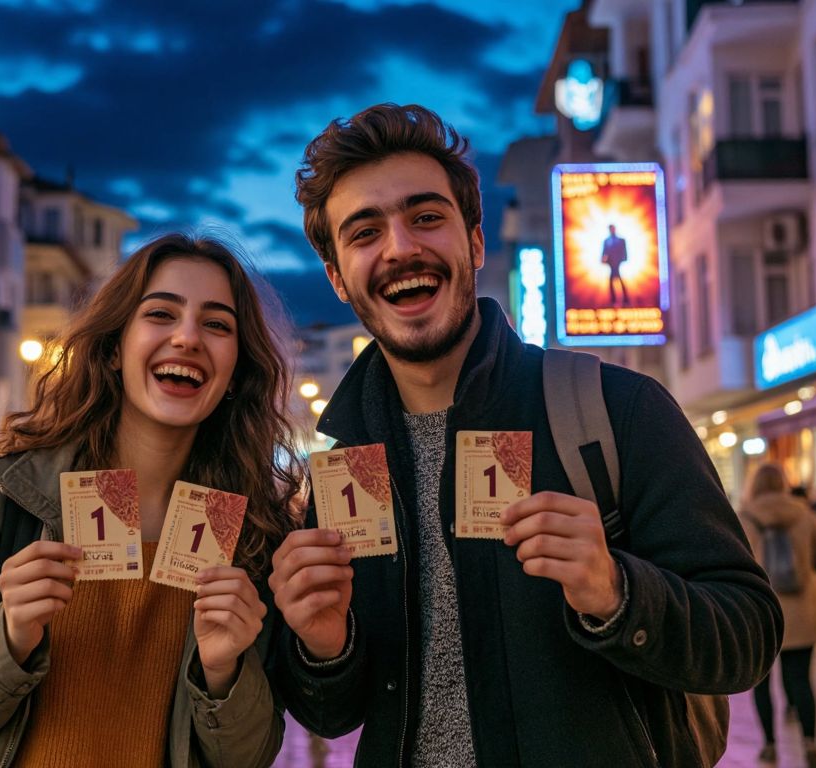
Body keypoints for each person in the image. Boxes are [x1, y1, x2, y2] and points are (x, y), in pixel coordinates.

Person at [271, 103, 782, 765]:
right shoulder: (343, 461)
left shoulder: (613, 410)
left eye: (427, 217)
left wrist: (614, 591)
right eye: (365, 232)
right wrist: (321, 645)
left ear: (475, 243)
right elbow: (333, 712)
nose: (401, 248)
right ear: (339, 278)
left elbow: (748, 634)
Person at [0, 233, 302, 767]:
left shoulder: (250, 528)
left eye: (217, 324)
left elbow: (249, 757)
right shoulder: (6, 492)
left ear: (235, 371)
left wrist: (224, 672)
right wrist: (10, 634)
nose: (187, 337)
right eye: (161, 314)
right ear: (114, 349)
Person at [738, 464, 816, 768]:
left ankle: (769, 744)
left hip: (761, 614)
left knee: (762, 683)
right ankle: (810, 743)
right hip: (803, 611)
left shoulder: (743, 518)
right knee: (802, 681)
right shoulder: (806, 514)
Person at [601, 223, 629, 306]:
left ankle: (625, 300)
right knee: (612, 281)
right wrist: (603, 260)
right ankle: (613, 300)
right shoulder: (606, 241)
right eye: (611, 229)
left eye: (613, 228)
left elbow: (624, 251)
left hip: (618, 262)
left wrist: (624, 259)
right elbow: (604, 252)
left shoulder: (621, 240)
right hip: (611, 263)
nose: (612, 230)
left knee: (618, 280)